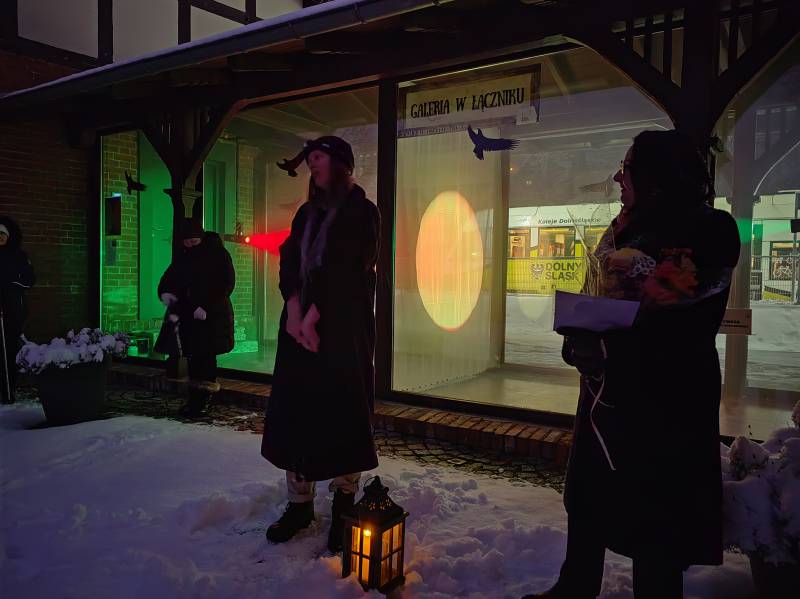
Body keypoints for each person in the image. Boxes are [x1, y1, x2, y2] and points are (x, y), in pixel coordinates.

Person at [526, 131, 741, 599]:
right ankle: (576, 585)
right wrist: (580, 337)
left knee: (657, 515)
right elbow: (598, 293)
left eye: (627, 168)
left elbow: (671, 305)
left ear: (656, 178)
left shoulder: (711, 229)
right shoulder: (620, 228)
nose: (618, 178)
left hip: (666, 396)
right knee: (589, 494)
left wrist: (611, 331)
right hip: (608, 390)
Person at [261, 136, 380, 553]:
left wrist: (316, 313)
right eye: (310, 161)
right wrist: (294, 307)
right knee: (298, 412)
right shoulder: (306, 213)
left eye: (320, 160)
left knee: (344, 411)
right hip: (300, 332)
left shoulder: (363, 212)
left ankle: (345, 501)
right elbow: (289, 260)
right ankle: (299, 504)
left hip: (342, 331)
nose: (313, 167)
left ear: (342, 166)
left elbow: (351, 267)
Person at [154, 219, 235, 417]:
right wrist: (166, 293)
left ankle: (202, 399)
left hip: (211, 317)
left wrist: (206, 306)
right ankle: (195, 399)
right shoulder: (184, 256)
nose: (190, 245)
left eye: (194, 241)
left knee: (206, 358)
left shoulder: (217, 253)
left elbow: (226, 283)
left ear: (201, 238)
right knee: (193, 357)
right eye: (187, 242)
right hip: (190, 315)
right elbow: (169, 279)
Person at [0, 216, 35, 404]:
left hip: (12, 309)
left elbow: (29, 280)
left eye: (3, 234)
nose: (0, 237)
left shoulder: (19, 256)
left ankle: (9, 388)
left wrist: (12, 284)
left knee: (10, 349)